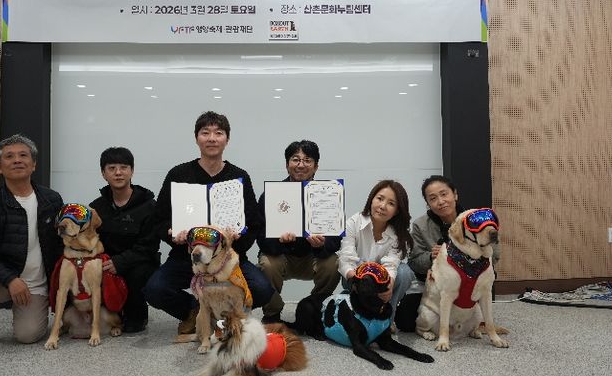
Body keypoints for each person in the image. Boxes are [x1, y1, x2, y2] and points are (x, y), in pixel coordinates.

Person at [145, 111, 274, 334]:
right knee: (154, 290)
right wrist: (172, 234)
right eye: (205, 133)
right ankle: (194, 310)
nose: (212, 138)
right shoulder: (178, 174)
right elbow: (159, 219)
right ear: (196, 138)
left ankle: (225, 315)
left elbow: (254, 223)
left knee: (262, 290)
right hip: (187, 257)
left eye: (218, 133)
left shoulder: (239, 177)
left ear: (227, 139)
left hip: (227, 259)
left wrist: (237, 239)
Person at [0, 134, 63, 350]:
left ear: (34, 164)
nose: (17, 160)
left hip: (37, 283)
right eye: (9, 156)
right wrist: (10, 279)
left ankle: (33, 309)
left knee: (28, 335)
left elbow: (60, 243)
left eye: (23, 155)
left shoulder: (52, 199)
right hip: (2, 280)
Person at [396, 174, 501, 331]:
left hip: (472, 280)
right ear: (428, 204)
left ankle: (475, 317)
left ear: (455, 194)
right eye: (433, 198)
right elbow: (414, 262)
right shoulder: (420, 225)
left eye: (444, 194)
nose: (440, 201)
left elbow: (495, 254)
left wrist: (466, 256)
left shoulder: (477, 218)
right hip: (434, 285)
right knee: (405, 320)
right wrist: (432, 257)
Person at [257, 140, 341, 324]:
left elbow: (336, 240)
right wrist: (279, 241)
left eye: (307, 160)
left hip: (313, 258)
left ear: (316, 166)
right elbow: (261, 237)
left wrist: (322, 244)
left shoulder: (328, 194)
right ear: (287, 165)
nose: (301, 165)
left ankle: (314, 308)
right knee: (267, 263)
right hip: (282, 258)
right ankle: (272, 314)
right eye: (295, 159)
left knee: (334, 263)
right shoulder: (271, 195)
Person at [89, 147, 160, 333]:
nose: (118, 173)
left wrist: (120, 262)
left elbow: (149, 246)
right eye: (111, 168)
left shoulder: (149, 205)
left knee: (137, 275)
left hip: (140, 262)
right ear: (103, 173)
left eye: (123, 167)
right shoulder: (96, 207)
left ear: (132, 171)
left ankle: (137, 316)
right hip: (107, 262)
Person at [336, 179, 416, 323]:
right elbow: (346, 259)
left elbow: (391, 264)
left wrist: (389, 285)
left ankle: (386, 320)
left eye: (391, 203)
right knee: (356, 267)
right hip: (356, 277)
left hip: (383, 280)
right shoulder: (354, 222)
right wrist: (357, 281)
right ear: (372, 199)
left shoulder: (399, 234)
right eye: (380, 198)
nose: (382, 206)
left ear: (397, 211)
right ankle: (357, 310)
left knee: (405, 273)